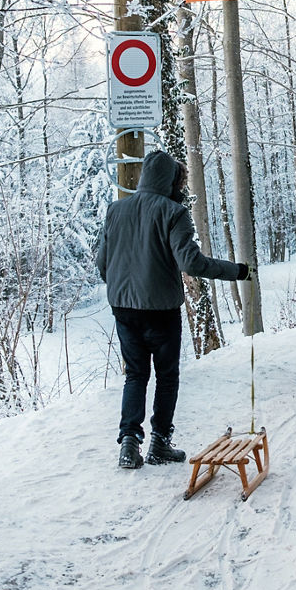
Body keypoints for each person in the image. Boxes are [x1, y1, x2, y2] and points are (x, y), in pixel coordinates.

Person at [95, 150, 249, 470]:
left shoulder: (116, 210)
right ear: (170, 181)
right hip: (161, 309)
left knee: (136, 374)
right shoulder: (173, 212)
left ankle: (128, 443)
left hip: (123, 307)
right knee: (166, 376)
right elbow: (191, 263)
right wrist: (237, 271)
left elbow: (102, 264)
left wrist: (124, 286)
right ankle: (160, 443)